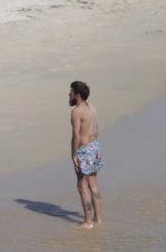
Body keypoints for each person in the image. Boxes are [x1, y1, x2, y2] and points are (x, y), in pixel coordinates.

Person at [69, 81, 103, 229]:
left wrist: (74, 155)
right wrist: (96, 149)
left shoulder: (77, 112)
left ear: (77, 95)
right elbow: (96, 128)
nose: (69, 95)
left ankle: (88, 222)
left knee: (82, 186)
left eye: (71, 92)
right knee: (93, 185)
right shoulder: (92, 108)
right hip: (95, 146)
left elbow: (76, 136)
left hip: (85, 150)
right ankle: (98, 218)